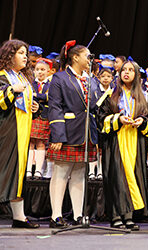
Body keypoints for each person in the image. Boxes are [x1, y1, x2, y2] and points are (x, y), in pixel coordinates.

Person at [47, 40, 98, 228]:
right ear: (75, 57)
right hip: (67, 133)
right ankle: (56, 215)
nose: (90, 59)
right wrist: (58, 136)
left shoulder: (90, 79)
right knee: (60, 173)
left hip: (85, 133)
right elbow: (55, 108)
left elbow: (93, 107)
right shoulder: (59, 78)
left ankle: (77, 215)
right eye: (87, 56)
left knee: (79, 173)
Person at [97, 60, 148, 230]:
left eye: (130, 70)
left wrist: (142, 121)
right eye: (123, 70)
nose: (126, 73)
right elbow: (101, 120)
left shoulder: (144, 97)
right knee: (117, 179)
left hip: (136, 142)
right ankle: (115, 216)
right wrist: (118, 119)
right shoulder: (110, 96)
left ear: (136, 74)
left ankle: (129, 217)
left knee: (133, 178)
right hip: (116, 142)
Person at [0, 39, 40, 228]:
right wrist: (10, 90)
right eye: (21, 53)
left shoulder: (23, 78)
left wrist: (36, 107)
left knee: (19, 172)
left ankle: (19, 217)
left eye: (26, 53)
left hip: (23, 130)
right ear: (10, 55)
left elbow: (27, 102)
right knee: (5, 170)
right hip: (7, 130)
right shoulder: (3, 77)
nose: (26, 56)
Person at [27, 58, 53, 179]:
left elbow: (51, 97)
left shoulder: (51, 84)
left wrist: (37, 96)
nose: (40, 72)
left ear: (48, 71)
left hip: (44, 117)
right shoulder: (30, 83)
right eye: (37, 70)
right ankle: (28, 170)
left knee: (41, 144)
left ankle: (38, 171)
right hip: (32, 116)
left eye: (43, 70)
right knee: (31, 143)